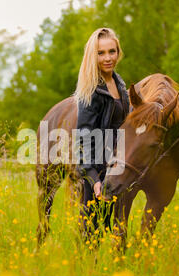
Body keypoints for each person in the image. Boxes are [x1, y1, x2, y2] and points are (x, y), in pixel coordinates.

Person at [73, 27, 131, 239]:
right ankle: (87, 272)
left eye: (112, 51)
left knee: (118, 232)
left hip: (118, 168)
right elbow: (83, 139)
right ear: (92, 56)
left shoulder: (119, 83)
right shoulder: (90, 90)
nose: (108, 58)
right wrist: (93, 178)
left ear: (118, 52)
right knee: (93, 236)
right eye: (101, 53)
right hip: (98, 172)